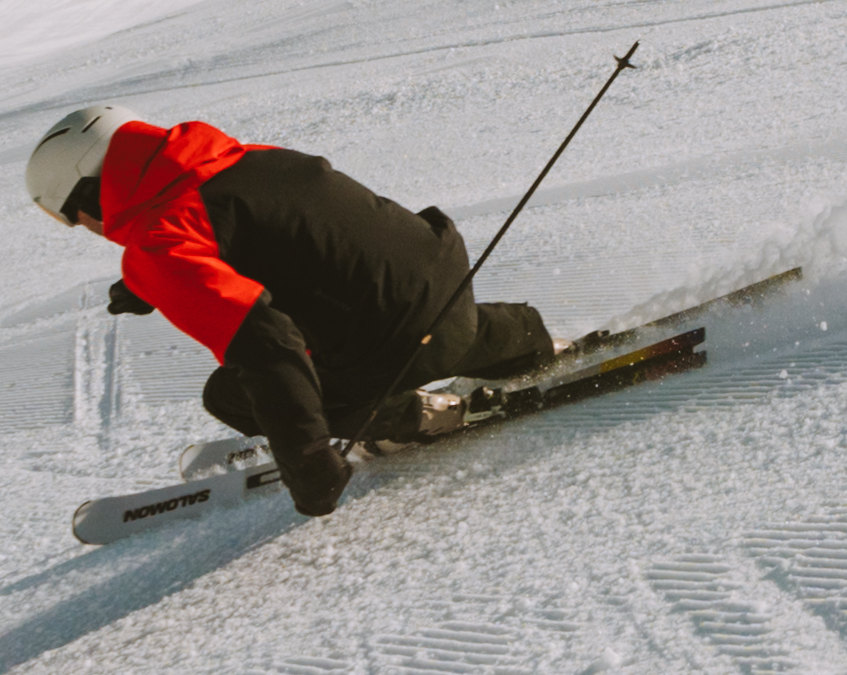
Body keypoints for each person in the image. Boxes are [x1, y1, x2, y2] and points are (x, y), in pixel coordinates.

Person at [28, 106, 555, 511]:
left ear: (88, 193)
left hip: (391, 348)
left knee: (230, 396)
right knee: (414, 317)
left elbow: (269, 347)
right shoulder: (244, 157)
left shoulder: (160, 249)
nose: (87, 230)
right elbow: (290, 240)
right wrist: (149, 284)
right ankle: (529, 338)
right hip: (447, 285)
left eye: (72, 218)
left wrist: (308, 463)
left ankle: (416, 417)